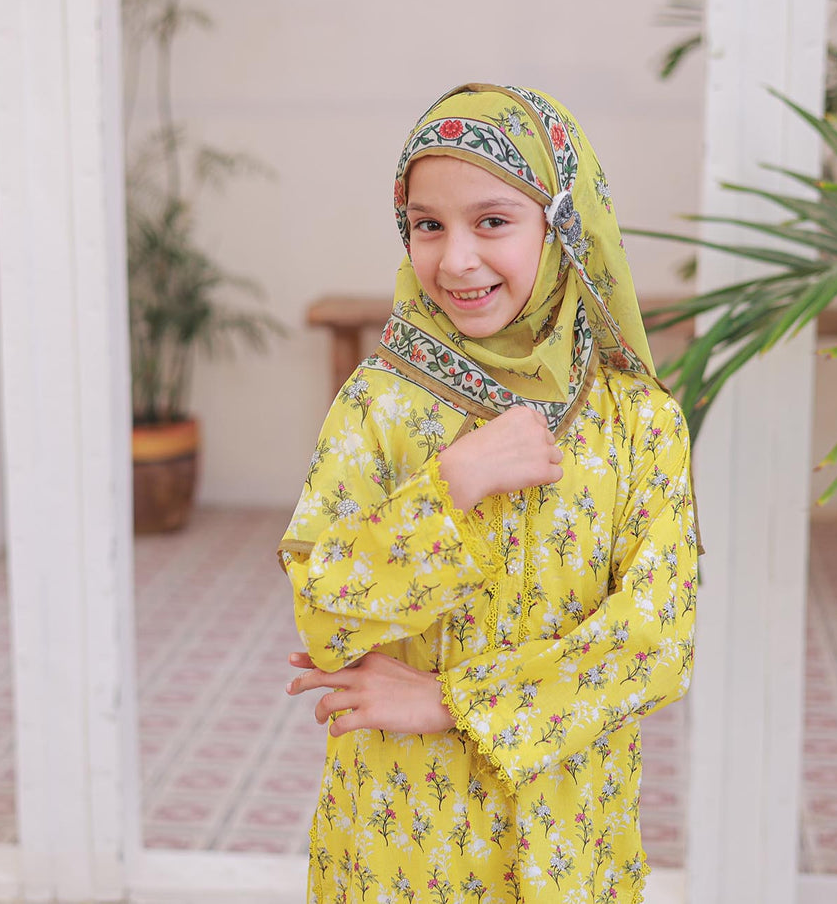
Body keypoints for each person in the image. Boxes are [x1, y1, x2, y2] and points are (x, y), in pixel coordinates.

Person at [279, 84, 700, 904]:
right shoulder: (381, 404)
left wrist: (452, 701)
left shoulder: (638, 420)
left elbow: (656, 644)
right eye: (426, 224)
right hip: (400, 834)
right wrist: (453, 484)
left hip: (568, 826)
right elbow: (325, 611)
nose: (455, 258)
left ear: (564, 226)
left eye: (493, 221)